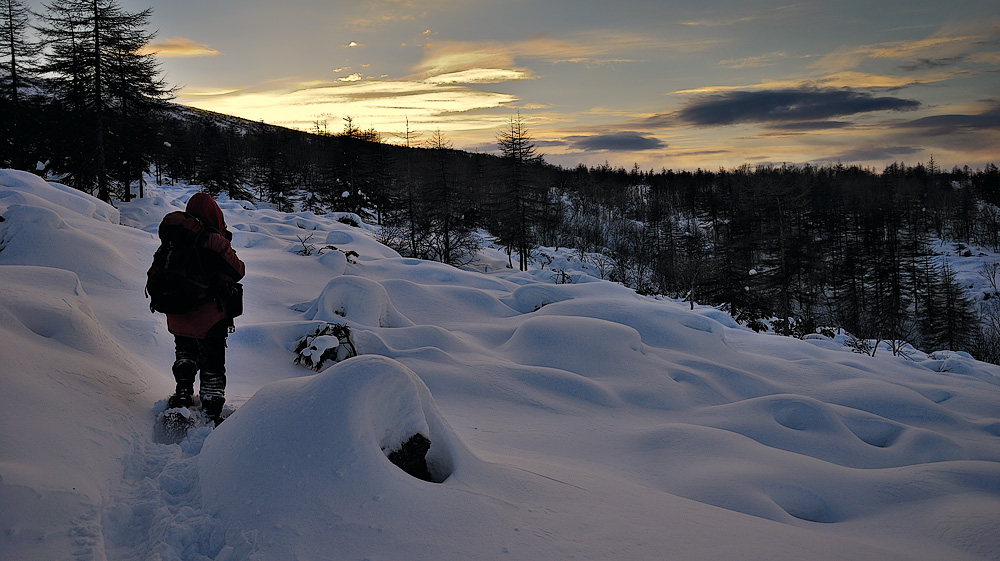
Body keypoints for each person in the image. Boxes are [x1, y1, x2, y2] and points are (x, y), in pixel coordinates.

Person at [166, 193, 245, 423]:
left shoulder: (175, 234)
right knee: (212, 362)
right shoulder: (212, 240)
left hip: (177, 311)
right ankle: (211, 409)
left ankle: (182, 393)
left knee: (185, 353)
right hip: (209, 315)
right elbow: (237, 271)